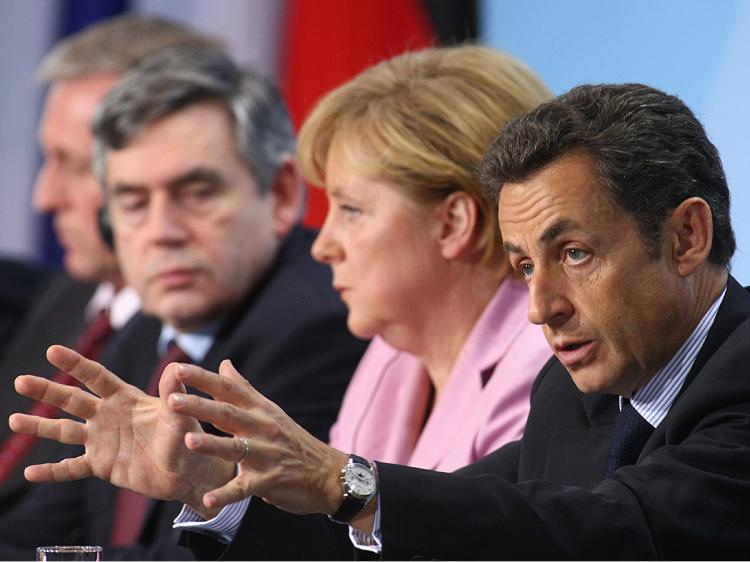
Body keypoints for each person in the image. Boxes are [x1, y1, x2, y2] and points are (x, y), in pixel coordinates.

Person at [14, 83, 749, 556]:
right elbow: (443, 526)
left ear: (687, 237)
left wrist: (346, 480)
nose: (540, 307)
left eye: (577, 254)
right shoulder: (576, 392)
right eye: (525, 265)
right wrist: (219, 486)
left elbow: (616, 534)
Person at [9, 44, 553, 560]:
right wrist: (211, 490)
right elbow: (331, 547)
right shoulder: (392, 358)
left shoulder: (546, 363)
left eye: (352, 210)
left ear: (452, 221)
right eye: (132, 202)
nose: (322, 243)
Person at [1, 45, 366, 560]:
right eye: (133, 202)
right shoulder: (145, 332)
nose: (161, 232)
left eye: (196, 193)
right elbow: (41, 528)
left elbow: (208, 556)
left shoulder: (316, 328)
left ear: (282, 195)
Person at [0, 13, 220, 507]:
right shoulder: (72, 295)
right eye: (47, 160)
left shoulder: (194, 342)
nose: (44, 197)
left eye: (75, 166)